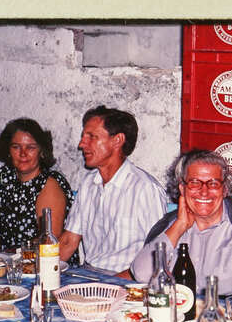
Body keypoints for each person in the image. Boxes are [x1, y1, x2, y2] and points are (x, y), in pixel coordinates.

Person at [131, 150, 232, 293]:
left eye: (213, 183)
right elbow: (141, 275)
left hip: (231, 314)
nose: (204, 192)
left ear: (225, 189)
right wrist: (179, 226)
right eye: (194, 183)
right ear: (182, 188)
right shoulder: (170, 223)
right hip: (178, 312)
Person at [59, 106, 167, 277]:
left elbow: (159, 254)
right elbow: (68, 241)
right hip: (88, 274)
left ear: (117, 140)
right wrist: (37, 272)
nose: (81, 144)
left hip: (127, 280)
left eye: (92, 137)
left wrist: (112, 284)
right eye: (83, 137)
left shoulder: (145, 189)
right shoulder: (89, 183)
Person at [0, 118, 74, 251]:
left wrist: (11, 255)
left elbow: (48, 240)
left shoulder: (49, 184)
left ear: (41, 151)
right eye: (16, 147)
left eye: (30, 147)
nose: (23, 154)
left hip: (44, 259)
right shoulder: (4, 176)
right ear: (8, 150)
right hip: (7, 258)